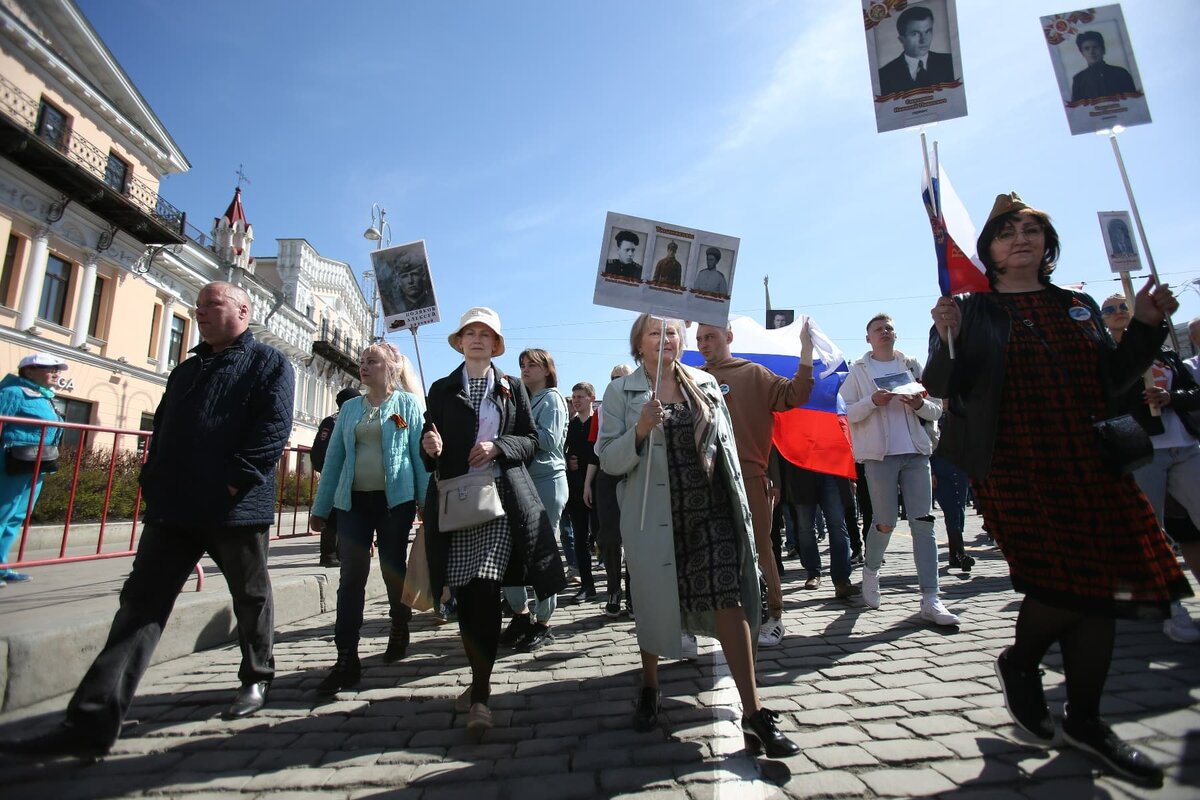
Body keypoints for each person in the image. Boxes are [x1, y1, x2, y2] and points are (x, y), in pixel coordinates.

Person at [924, 192, 1189, 788]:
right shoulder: (970, 308)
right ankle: (1020, 662)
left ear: (1047, 243)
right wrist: (947, 337)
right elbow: (943, 385)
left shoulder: (1078, 305)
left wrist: (1146, 327)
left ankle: (1088, 721)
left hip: (1089, 458)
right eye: (1007, 232)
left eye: (1032, 229)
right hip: (1017, 464)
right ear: (987, 248)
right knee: (1064, 585)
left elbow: (1114, 382)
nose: (1021, 239)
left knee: (1101, 589)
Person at [0, 282, 294, 758]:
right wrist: (152, 479)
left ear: (243, 309)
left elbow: (272, 429)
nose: (200, 313)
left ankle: (256, 677)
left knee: (251, 595)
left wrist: (234, 483)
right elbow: (162, 427)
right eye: (197, 306)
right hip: (173, 508)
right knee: (139, 608)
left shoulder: (268, 363)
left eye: (211, 305)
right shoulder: (188, 368)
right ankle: (92, 722)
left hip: (233, 510)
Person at [598, 313, 799, 758]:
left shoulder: (703, 384)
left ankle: (754, 714)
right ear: (639, 344)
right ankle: (650, 685)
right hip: (655, 515)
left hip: (711, 511)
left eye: (671, 332)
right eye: (654, 333)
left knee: (729, 598)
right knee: (653, 601)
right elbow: (610, 460)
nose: (664, 339)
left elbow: (728, 447)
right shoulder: (621, 392)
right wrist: (640, 429)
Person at [420, 307, 566, 736]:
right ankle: (479, 674)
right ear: (460, 342)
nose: (478, 339)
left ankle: (481, 695)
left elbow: (531, 442)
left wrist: (498, 446)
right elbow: (426, 449)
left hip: (501, 502)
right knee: (466, 596)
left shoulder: (512, 387)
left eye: (486, 333)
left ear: (496, 344)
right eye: (470, 333)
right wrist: (429, 445)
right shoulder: (442, 389)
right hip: (456, 501)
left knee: (485, 585)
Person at [309, 344, 429, 694]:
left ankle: (399, 625)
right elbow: (334, 459)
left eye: (372, 361)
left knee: (393, 567)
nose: (364, 366)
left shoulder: (407, 405)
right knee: (352, 576)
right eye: (362, 362)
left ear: (391, 367)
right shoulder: (349, 409)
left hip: (396, 502)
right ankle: (346, 656)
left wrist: (425, 502)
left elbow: (418, 457)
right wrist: (321, 507)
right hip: (353, 504)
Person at [695, 322, 814, 647]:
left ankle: (773, 616)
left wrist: (806, 351)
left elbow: (795, 394)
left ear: (728, 337)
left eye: (711, 336)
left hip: (747, 476)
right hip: (706, 478)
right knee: (710, 552)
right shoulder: (692, 378)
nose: (704, 343)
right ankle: (716, 617)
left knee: (760, 548)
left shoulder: (754, 373)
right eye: (699, 338)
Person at [839, 314, 957, 627]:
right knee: (885, 522)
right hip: (879, 456)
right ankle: (871, 569)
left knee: (923, 523)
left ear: (896, 334)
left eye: (889, 328)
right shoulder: (859, 371)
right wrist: (872, 401)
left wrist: (918, 404)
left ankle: (931, 597)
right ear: (868, 339)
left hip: (916, 452)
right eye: (878, 329)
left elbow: (935, 408)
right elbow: (846, 413)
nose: (885, 332)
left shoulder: (912, 365)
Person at [1100, 293, 1200, 644]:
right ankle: (1173, 610)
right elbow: (1107, 397)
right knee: (1153, 534)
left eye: (1122, 307)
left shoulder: (1167, 353)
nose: (1117, 313)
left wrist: (1171, 398)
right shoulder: (1107, 357)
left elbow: (1193, 392)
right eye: (1108, 310)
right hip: (1142, 450)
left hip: (1185, 447)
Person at [499, 348, 569, 652]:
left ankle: (543, 622)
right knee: (510, 550)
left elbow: (548, 440)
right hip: (519, 481)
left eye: (532, 364)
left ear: (547, 369)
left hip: (545, 480)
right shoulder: (518, 399)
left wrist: (509, 441)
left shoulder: (551, 398)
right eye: (522, 364)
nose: (525, 369)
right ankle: (520, 614)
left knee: (543, 551)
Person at [0, 352, 68, 585]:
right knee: (2, 512)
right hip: (11, 461)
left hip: (35, 463)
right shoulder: (13, 392)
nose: (56, 373)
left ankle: (1, 565)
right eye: (50, 368)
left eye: (57, 369)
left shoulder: (43, 397)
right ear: (29, 371)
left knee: (17, 515)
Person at [310, 387, 364, 568]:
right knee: (334, 517)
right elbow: (321, 450)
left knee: (339, 516)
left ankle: (337, 554)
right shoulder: (342, 421)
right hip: (340, 476)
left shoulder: (331, 420)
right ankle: (331, 555)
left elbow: (316, 452)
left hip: (338, 475)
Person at [594, 364, 633, 617]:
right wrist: (588, 482)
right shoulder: (601, 409)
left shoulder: (641, 406)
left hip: (633, 471)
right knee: (609, 537)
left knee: (633, 538)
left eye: (622, 378)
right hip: (606, 473)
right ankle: (613, 590)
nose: (617, 382)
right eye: (613, 378)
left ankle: (634, 595)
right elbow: (593, 449)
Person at [563, 380, 601, 605]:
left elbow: (599, 451)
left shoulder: (600, 422)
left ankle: (616, 586)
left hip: (599, 487)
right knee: (579, 539)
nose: (576, 400)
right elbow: (565, 452)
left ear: (591, 398)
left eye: (580, 397)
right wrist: (570, 461)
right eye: (573, 397)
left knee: (603, 537)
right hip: (576, 489)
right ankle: (588, 585)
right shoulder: (571, 425)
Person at [877, 5, 955, 96]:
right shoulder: (884, 76)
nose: (923, 40)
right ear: (902, 39)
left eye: (928, 31)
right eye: (915, 34)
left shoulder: (950, 62)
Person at [1070, 30, 1137, 103]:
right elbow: (1077, 110)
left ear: (1103, 50)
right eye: (1087, 48)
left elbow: (1134, 102)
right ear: (1082, 53)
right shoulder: (1079, 79)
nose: (1092, 52)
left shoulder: (1121, 73)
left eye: (1095, 47)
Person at [381, 249, 435, 313]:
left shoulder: (432, 302)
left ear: (423, 275)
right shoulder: (394, 309)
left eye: (414, 274)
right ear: (398, 281)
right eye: (404, 276)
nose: (410, 281)